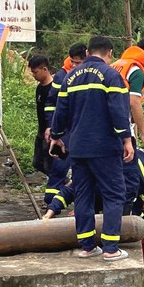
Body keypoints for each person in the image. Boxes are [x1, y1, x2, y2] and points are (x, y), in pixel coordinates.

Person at [50, 35, 133, 261]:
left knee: (83, 195)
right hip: (105, 147)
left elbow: (61, 110)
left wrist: (56, 136)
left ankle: (87, 247)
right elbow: (118, 111)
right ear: (110, 53)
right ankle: (111, 249)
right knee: (114, 194)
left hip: (78, 148)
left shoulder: (70, 77)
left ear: (87, 52)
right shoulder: (111, 75)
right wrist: (127, 139)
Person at [112, 37, 144, 215]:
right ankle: (122, 225)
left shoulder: (116, 65)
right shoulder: (136, 71)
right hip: (121, 131)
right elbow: (133, 102)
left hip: (104, 129)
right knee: (130, 180)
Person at [43, 43, 87, 204]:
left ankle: (71, 195)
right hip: (66, 129)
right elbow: (52, 103)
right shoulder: (62, 76)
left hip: (81, 128)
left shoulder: (89, 75)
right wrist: (52, 127)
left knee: (80, 165)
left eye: (78, 62)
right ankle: (51, 198)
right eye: (73, 61)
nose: (75, 65)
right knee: (60, 163)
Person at [28, 55, 54, 176]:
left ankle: (66, 186)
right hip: (41, 131)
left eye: (35, 72)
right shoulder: (39, 88)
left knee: (50, 165)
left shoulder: (55, 88)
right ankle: (65, 183)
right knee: (37, 163)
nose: (34, 75)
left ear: (45, 69)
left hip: (51, 132)